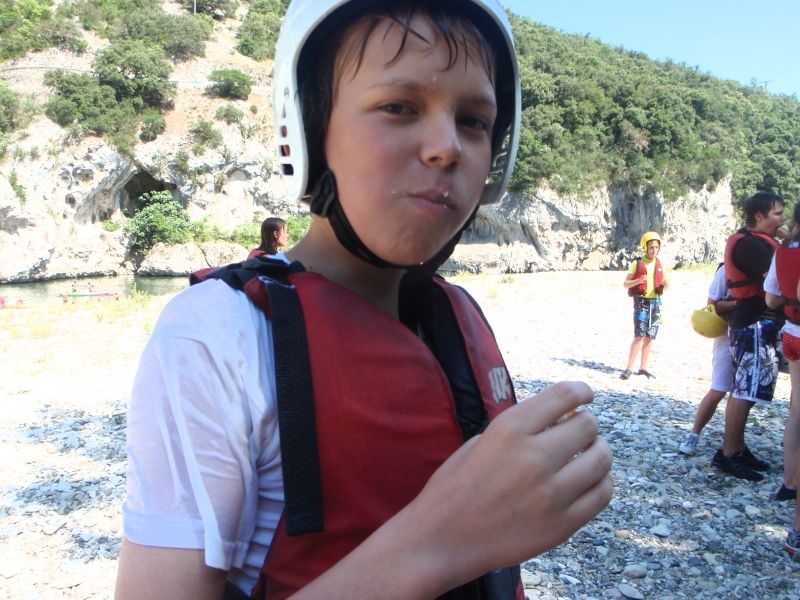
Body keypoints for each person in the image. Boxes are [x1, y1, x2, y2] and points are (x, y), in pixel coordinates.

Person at [114, 2, 613, 599]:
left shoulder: (454, 313)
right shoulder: (216, 335)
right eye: (399, 107)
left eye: (475, 120)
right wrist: (442, 540)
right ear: (306, 129)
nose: (447, 147)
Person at [711, 192, 786, 482]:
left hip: (751, 323)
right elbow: (778, 284)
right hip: (755, 323)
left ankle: (738, 447)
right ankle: (729, 453)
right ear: (759, 216)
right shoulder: (753, 246)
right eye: (777, 214)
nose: (782, 219)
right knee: (746, 390)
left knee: (747, 389)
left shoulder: (751, 242)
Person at [678, 264, 735, 455]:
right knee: (718, 389)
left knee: (738, 393)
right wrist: (740, 304)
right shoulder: (726, 270)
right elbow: (712, 304)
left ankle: (732, 440)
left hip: (750, 335)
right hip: (726, 335)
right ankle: (694, 435)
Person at [765, 203, 800, 501]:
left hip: (791, 333)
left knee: (797, 408)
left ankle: (790, 483)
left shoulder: (783, 251)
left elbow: (772, 299)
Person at [620, 231, 669, 380]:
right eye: (651, 247)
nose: (654, 250)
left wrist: (665, 285)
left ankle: (643, 367)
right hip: (641, 301)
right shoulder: (637, 263)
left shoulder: (659, 263)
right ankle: (629, 368)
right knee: (639, 334)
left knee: (650, 335)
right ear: (645, 247)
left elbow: (665, 285)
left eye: (656, 247)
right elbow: (626, 284)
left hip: (656, 301)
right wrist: (639, 280)